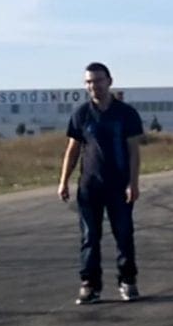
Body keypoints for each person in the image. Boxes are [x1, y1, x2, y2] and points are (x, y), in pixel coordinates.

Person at [57, 62, 145, 305]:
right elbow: (72, 150)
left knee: (124, 235)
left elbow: (134, 152)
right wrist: (63, 181)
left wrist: (133, 183)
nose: (93, 86)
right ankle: (90, 285)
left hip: (119, 186)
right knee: (89, 236)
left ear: (109, 81)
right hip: (90, 187)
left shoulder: (125, 114)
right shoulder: (81, 114)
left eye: (97, 80)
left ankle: (127, 281)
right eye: (88, 82)